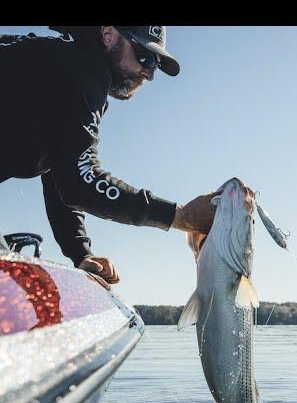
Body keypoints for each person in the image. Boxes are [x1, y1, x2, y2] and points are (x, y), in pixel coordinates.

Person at [0, 26, 217, 285]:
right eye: (145, 57)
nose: (149, 74)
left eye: (156, 64)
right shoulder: (83, 73)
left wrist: (80, 252)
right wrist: (180, 217)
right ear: (108, 35)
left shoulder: (63, 67)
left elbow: (63, 174)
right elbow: (80, 181)